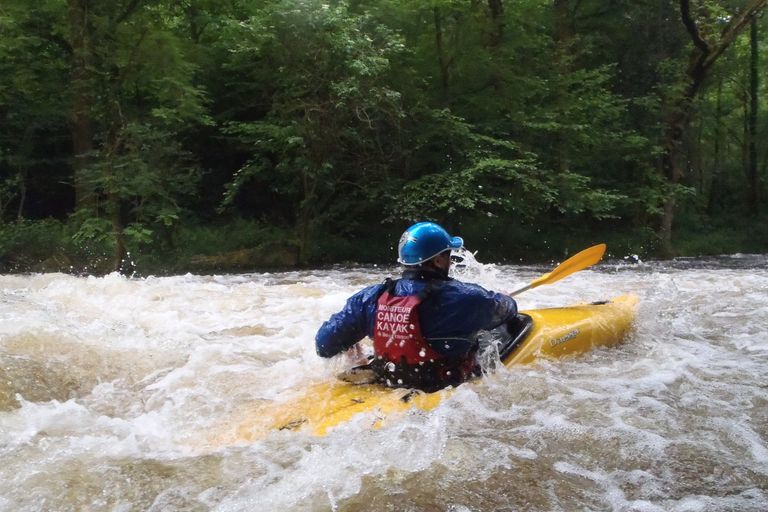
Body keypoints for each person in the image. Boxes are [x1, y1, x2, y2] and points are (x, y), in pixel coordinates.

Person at [315, 221, 518, 392]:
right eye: (448, 255)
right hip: (444, 388)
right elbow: (507, 310)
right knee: (493, 333)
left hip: (391, 382)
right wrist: (504, 298)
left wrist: (351, 343)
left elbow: (324, 345)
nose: (450, 260)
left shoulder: (371, 298)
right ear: (438, 261)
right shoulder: (466, 298)